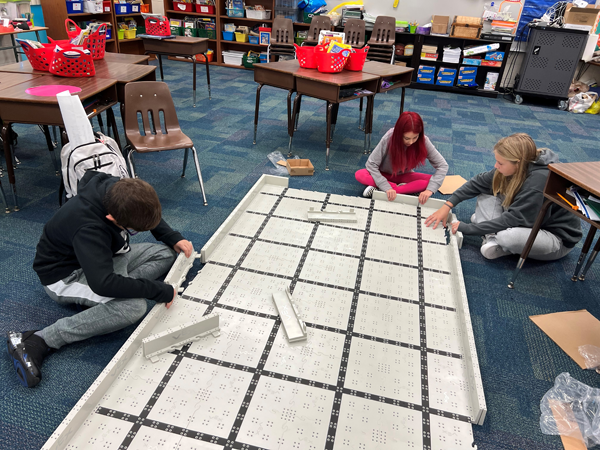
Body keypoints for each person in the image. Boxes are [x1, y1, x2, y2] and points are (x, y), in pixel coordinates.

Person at [6, 171, 193, 388]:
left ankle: (121, 285)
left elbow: (145, 209)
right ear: (111, 219)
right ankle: (40, 340)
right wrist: (156, 290)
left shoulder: (117, 188)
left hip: (105, 259)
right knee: (132, 308)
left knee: (166, 253)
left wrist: (171, 237)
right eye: (131, 230)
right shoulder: (88, 228)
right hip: (66, 277)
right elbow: (101, 284)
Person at [425, 133, 582, 260]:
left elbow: (513, 219)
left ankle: (495, 239)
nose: (496, 166)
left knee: (509, 238)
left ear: (518, 163)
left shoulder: (537, 182)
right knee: (486, 193)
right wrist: (447, 205)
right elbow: (477, 183)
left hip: (553, 237)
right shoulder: (518, 166)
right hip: (524, 218)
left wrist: (469, 229)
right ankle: (492, 238)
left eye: (500, 163)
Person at [355, 111, 448, 204]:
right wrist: (386, 186)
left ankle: (381, 190)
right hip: (383, 174)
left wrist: (429, 190)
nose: (411, 142)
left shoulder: (423, 140)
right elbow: (371, 164)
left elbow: (443, 165)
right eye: (406, 138)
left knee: (432, 181)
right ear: (399, 134)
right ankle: (404, 190)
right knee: (360, 174)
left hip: (403, 176)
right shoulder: (389, 137)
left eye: (415, 137)